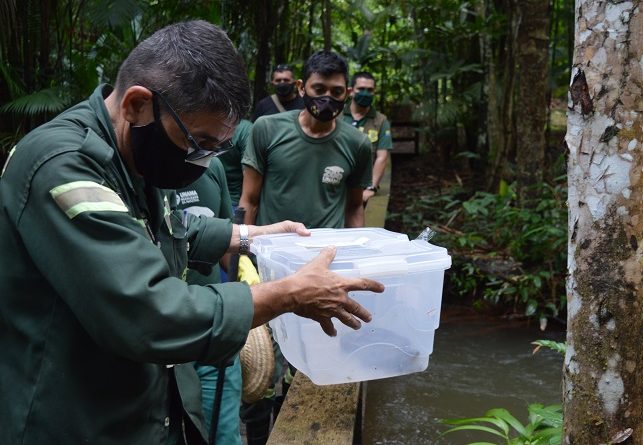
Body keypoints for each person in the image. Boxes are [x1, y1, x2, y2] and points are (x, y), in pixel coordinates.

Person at [0, 20, 383, 445]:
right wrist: (289, 294)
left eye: (216, 149)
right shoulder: (63, 166)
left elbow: (167, 229)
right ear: (138, 105)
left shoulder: (132, 156)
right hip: (76, 420)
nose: (203, 162)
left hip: (143, 412)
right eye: (198, 143)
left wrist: (253, 236)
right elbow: (147, 312)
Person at [239, 50, 373, 228]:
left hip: (328, 251)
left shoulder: (358, 143)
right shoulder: (267, 128)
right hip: (273, 250)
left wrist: (356, 252)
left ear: (347, 93)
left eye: (336, 91)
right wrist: (244, 251)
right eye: (319, 89)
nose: (327, 98)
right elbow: (249, 200)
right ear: (301, 88)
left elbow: (354, 207)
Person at [175, 158, 242, 445]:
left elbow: (226, 240)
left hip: (214, 331)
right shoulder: (140, 172)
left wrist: (244, 278)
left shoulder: (212, 168)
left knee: (223, 432)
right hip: (166, 335)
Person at [340, 71, 393, 206]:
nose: (365, 93)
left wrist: (371, 187)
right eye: (361, 89)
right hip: (338, 182)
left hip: (364, 185)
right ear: (351, 91)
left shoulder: (380, 120)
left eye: (369, 90)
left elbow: (382, 157)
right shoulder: (338, 115)